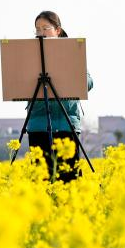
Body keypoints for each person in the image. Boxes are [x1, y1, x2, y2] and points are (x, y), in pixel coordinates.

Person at [27, 10, 94, 182]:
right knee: (41, 182)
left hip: (67, 124)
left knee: (69, 180)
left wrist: (71, 78)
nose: (41, 33)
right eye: (37, 29)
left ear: (57, 30)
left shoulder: (72, 51)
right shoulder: (27, 53)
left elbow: (89, 82)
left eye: (45, 28)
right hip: (38, 125)